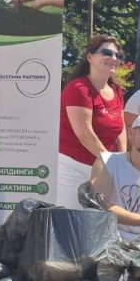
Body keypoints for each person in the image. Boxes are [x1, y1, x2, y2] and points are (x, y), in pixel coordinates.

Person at [58, 34, 127, 208]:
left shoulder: (116, 90)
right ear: (89, 56)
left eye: (118, 56)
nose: (114, 58)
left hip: (104, 167)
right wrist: (111, 162)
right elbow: (84, 133)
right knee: (72, 223)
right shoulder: (78, 88)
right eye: (107, 53)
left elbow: (121, 128)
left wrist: (122, 161)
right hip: (73, 167)